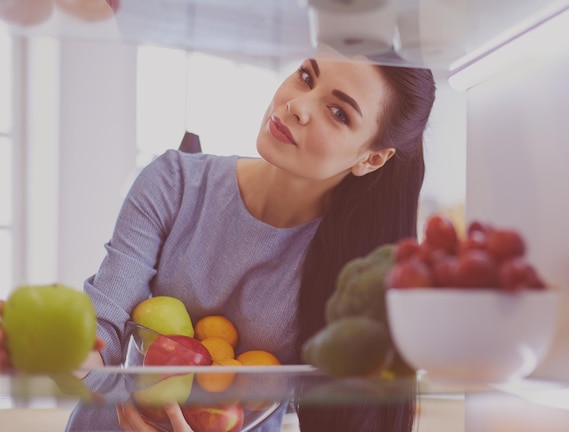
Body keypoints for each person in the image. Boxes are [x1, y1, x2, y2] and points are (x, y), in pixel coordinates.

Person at [0, 48, 436, 431]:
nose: (298, 106)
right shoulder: (175, 182)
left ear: (372, 157)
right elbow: (105, 332)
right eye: (306, 75)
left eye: (338, 112)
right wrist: (59, 352)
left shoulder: (351, 266)